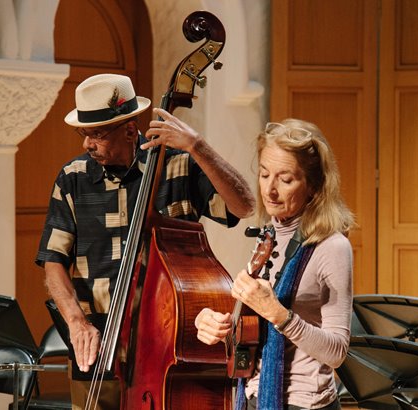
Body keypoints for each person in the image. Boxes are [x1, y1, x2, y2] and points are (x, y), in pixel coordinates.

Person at [35, 73, 255, 409]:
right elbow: (53, 261)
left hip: (164, 345)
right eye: (83, 133)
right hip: (97, 349)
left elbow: (243, 206)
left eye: (96, 134)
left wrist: (198, 146)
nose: (86, 144)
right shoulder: (72, 179)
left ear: (128, 128)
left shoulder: (178, 166)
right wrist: (77, 323)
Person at [195, 118, 355, 410]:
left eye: (285, 179)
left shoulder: (332, 247)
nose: (269, 191)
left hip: (304, 404)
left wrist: (277, 313)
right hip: (254, 396)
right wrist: (215, 324)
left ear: (314, 186)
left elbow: (336, 352)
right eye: (265, 174)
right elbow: (257, 328)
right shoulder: (270, 233)